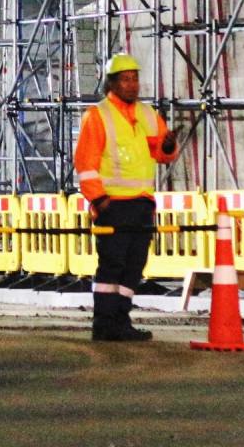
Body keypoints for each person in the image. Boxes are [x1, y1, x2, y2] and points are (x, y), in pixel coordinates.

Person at [73, 53, 180, 341]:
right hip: (113, 204)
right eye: (126, 80)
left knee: (134, 266)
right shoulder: (98, 116)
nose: (132, 85)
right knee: (112, 266)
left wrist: (168, 146)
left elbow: (161, 154)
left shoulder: (147, 114)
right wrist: (98, 200)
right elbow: (85, 163)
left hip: (141, 203)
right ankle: (105, 324)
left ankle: (121, 321)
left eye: (135, 79)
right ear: (112, 83)